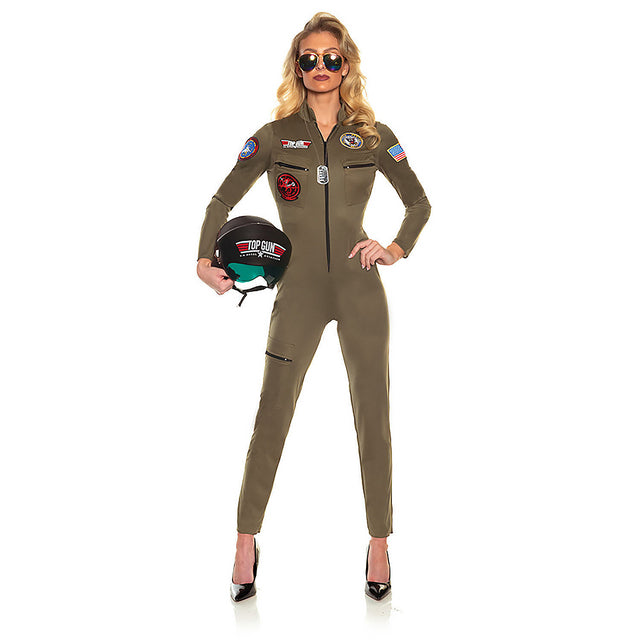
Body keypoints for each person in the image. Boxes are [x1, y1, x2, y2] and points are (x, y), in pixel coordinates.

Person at [196, 12, 431, 600]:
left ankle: (380, 542)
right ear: (297, 67)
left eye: (331, 58)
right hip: (297, 291)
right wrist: (204, 259)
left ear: (345, 66)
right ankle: (245, 541)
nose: (320, 67)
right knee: (273, 412)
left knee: (372, 415)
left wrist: (394, 248)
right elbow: (222, 199)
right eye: (309, 58)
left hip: (358, 289)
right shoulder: (275, 137)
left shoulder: (373, 136)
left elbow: (419, 202)